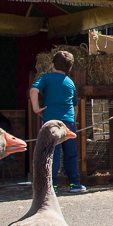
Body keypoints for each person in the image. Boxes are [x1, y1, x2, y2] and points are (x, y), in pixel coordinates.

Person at [31, 50, 85, 193]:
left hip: (51, 121)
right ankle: (74, 184)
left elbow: (34, 90)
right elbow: (75, 105)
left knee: (52, 154)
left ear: (52, 64)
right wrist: (73, 121)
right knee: (71, 153)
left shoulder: (46, 78)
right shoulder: (70, 82)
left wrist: (36, 108)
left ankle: (52, 186)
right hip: (68, 122)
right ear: (70, 68)